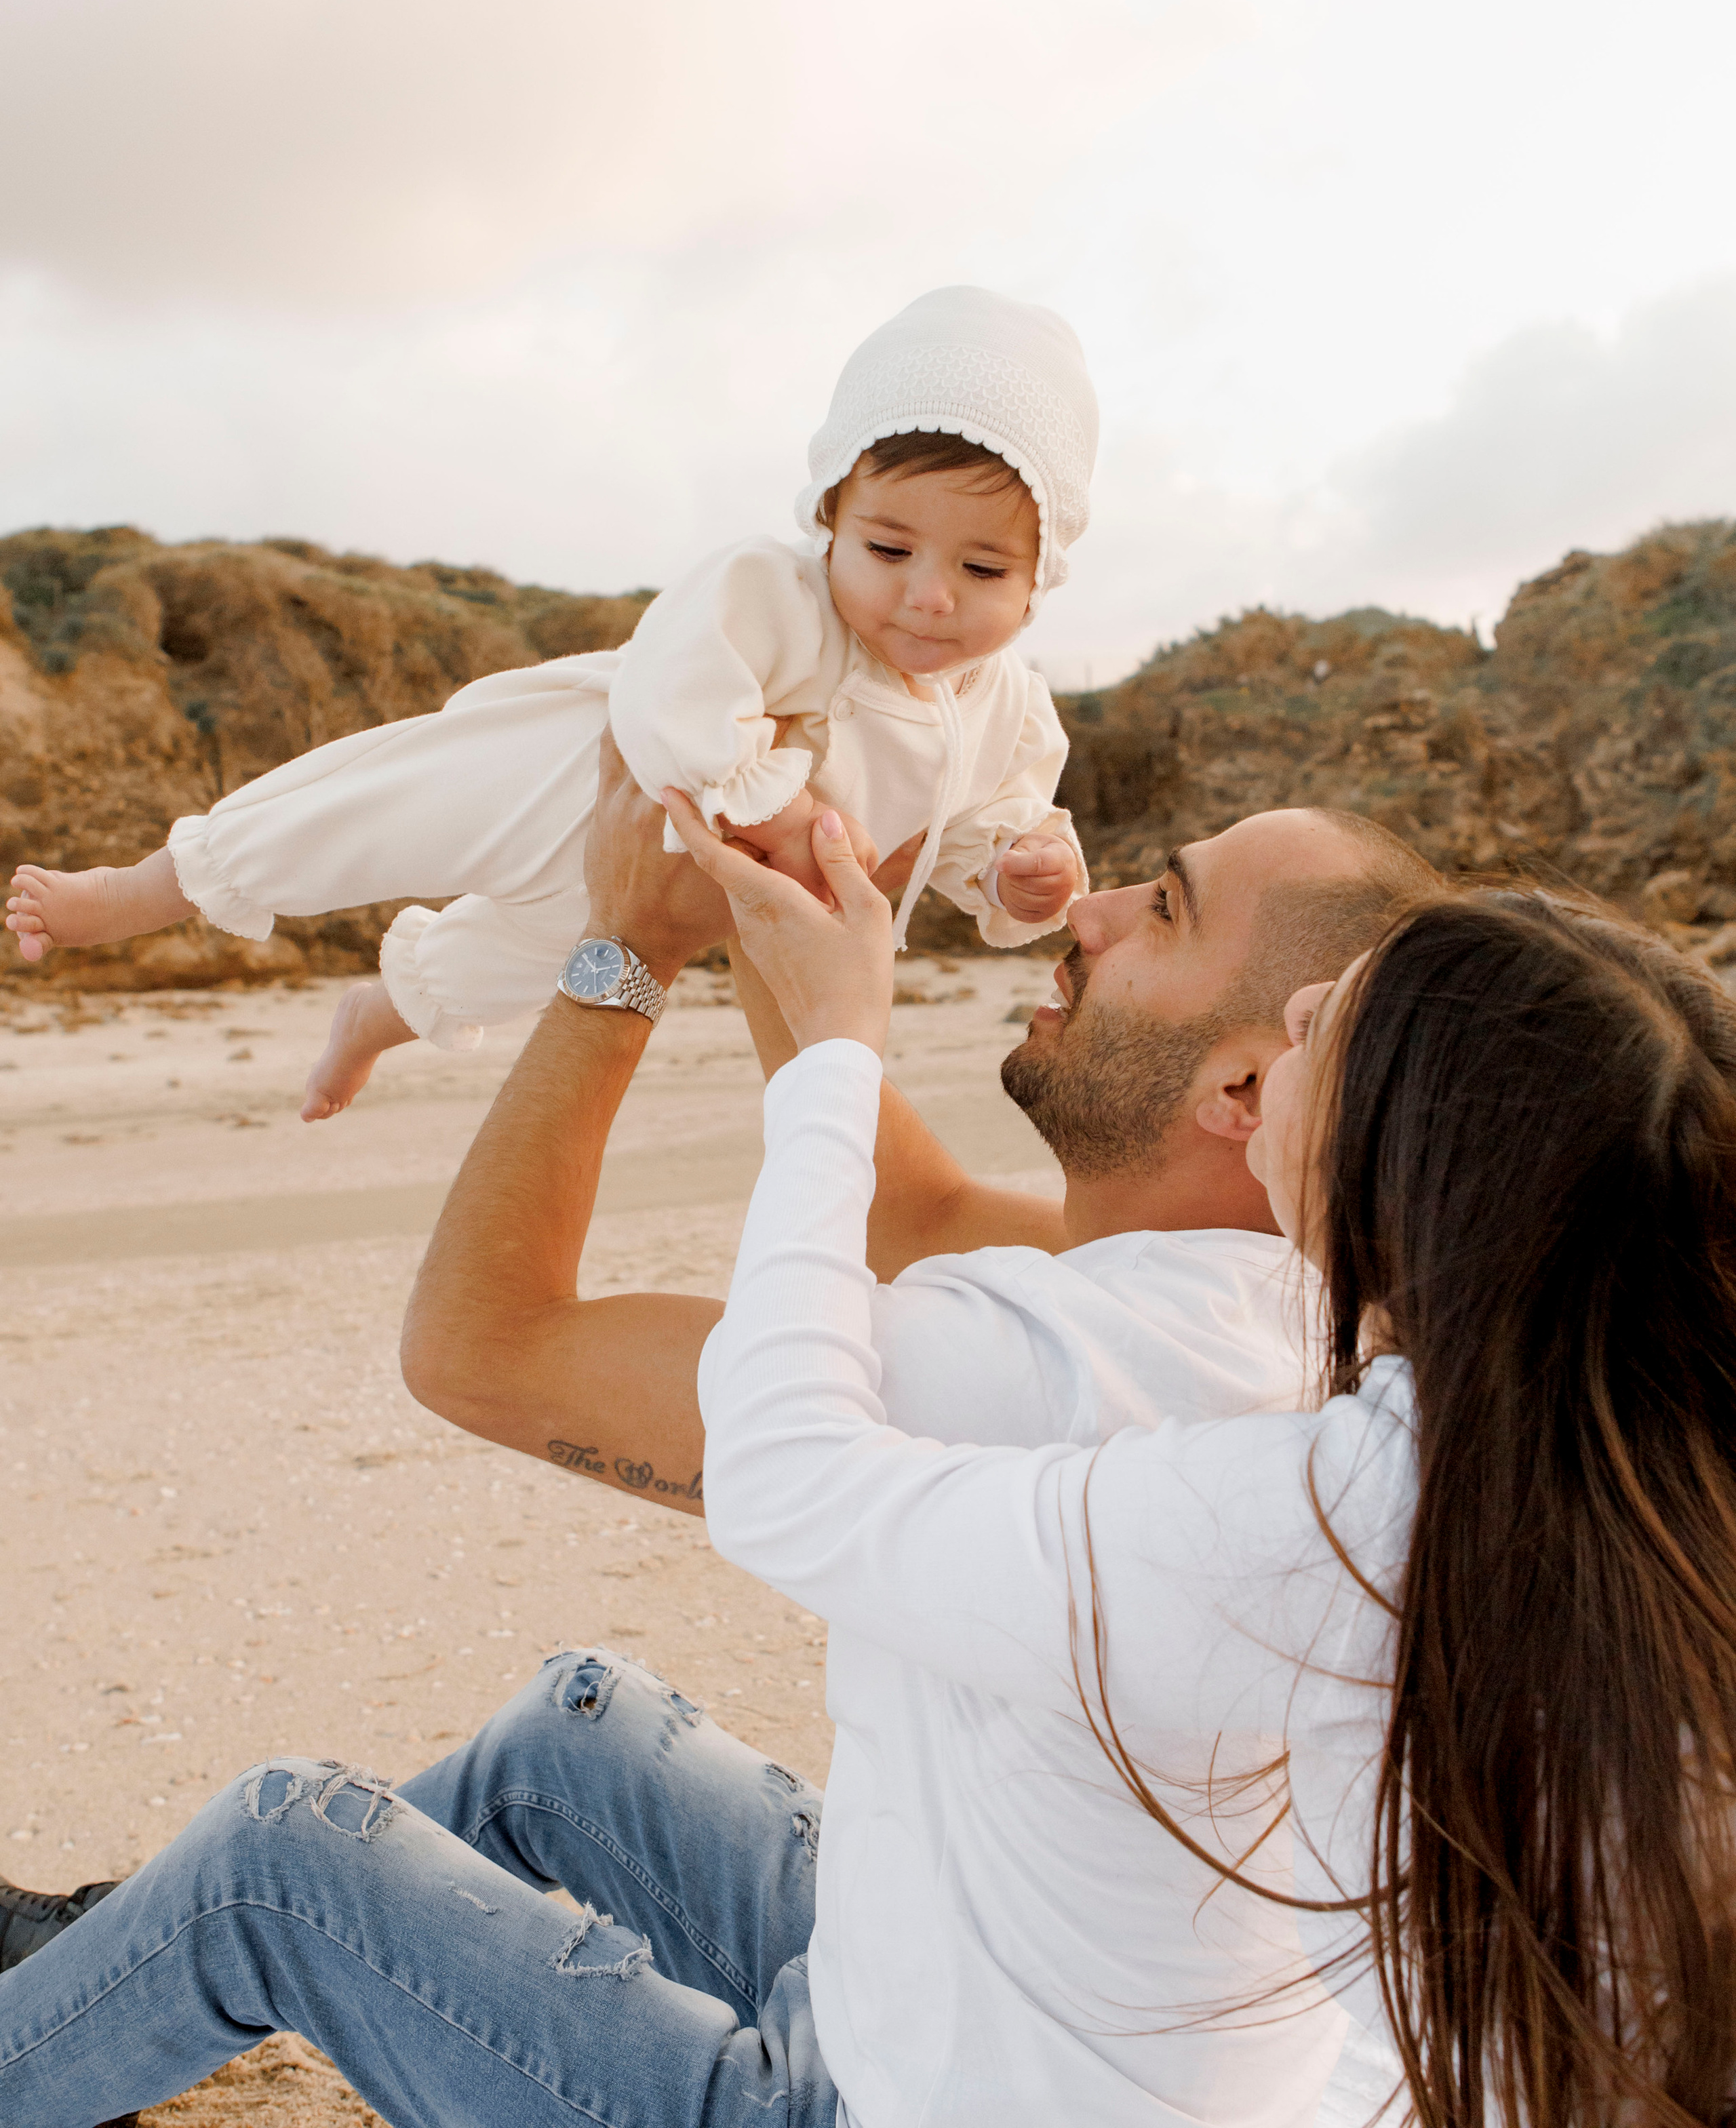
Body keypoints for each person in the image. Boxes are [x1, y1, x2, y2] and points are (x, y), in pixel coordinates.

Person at [0, 749, 1442, 2125]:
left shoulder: (1036, 1368)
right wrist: (780, 895)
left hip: (871, 2107)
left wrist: (628, 953)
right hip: (963, 2009)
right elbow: (918, 1215)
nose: (1091, 906)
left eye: (1163, 908)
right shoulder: (1289, 1292)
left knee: (279, 1858)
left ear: (1248, 1090)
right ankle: (111, 1966)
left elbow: (485, 1352)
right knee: (570, 1730)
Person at [679, 802, 1736, 2127]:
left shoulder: (1336, 1517)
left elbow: (785, 1482)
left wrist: (834, 1058)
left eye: (1314, 1031)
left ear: (1391, 1157)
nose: (1283, 1034)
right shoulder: (1654, 1432)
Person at [5, 285, 1095, 1122]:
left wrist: (1015, 873)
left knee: (502, 972)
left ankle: (370, 1021)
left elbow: (977, 830)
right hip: (578, 779)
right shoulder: (774, 591)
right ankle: (137, 891)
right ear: (830, 515)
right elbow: (678, 698)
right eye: (891, 547)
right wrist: (774, 811)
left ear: (1042, 585)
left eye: (985, 571)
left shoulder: (1003, 712)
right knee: (359, 812)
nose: (929, 595)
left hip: (654, 895)